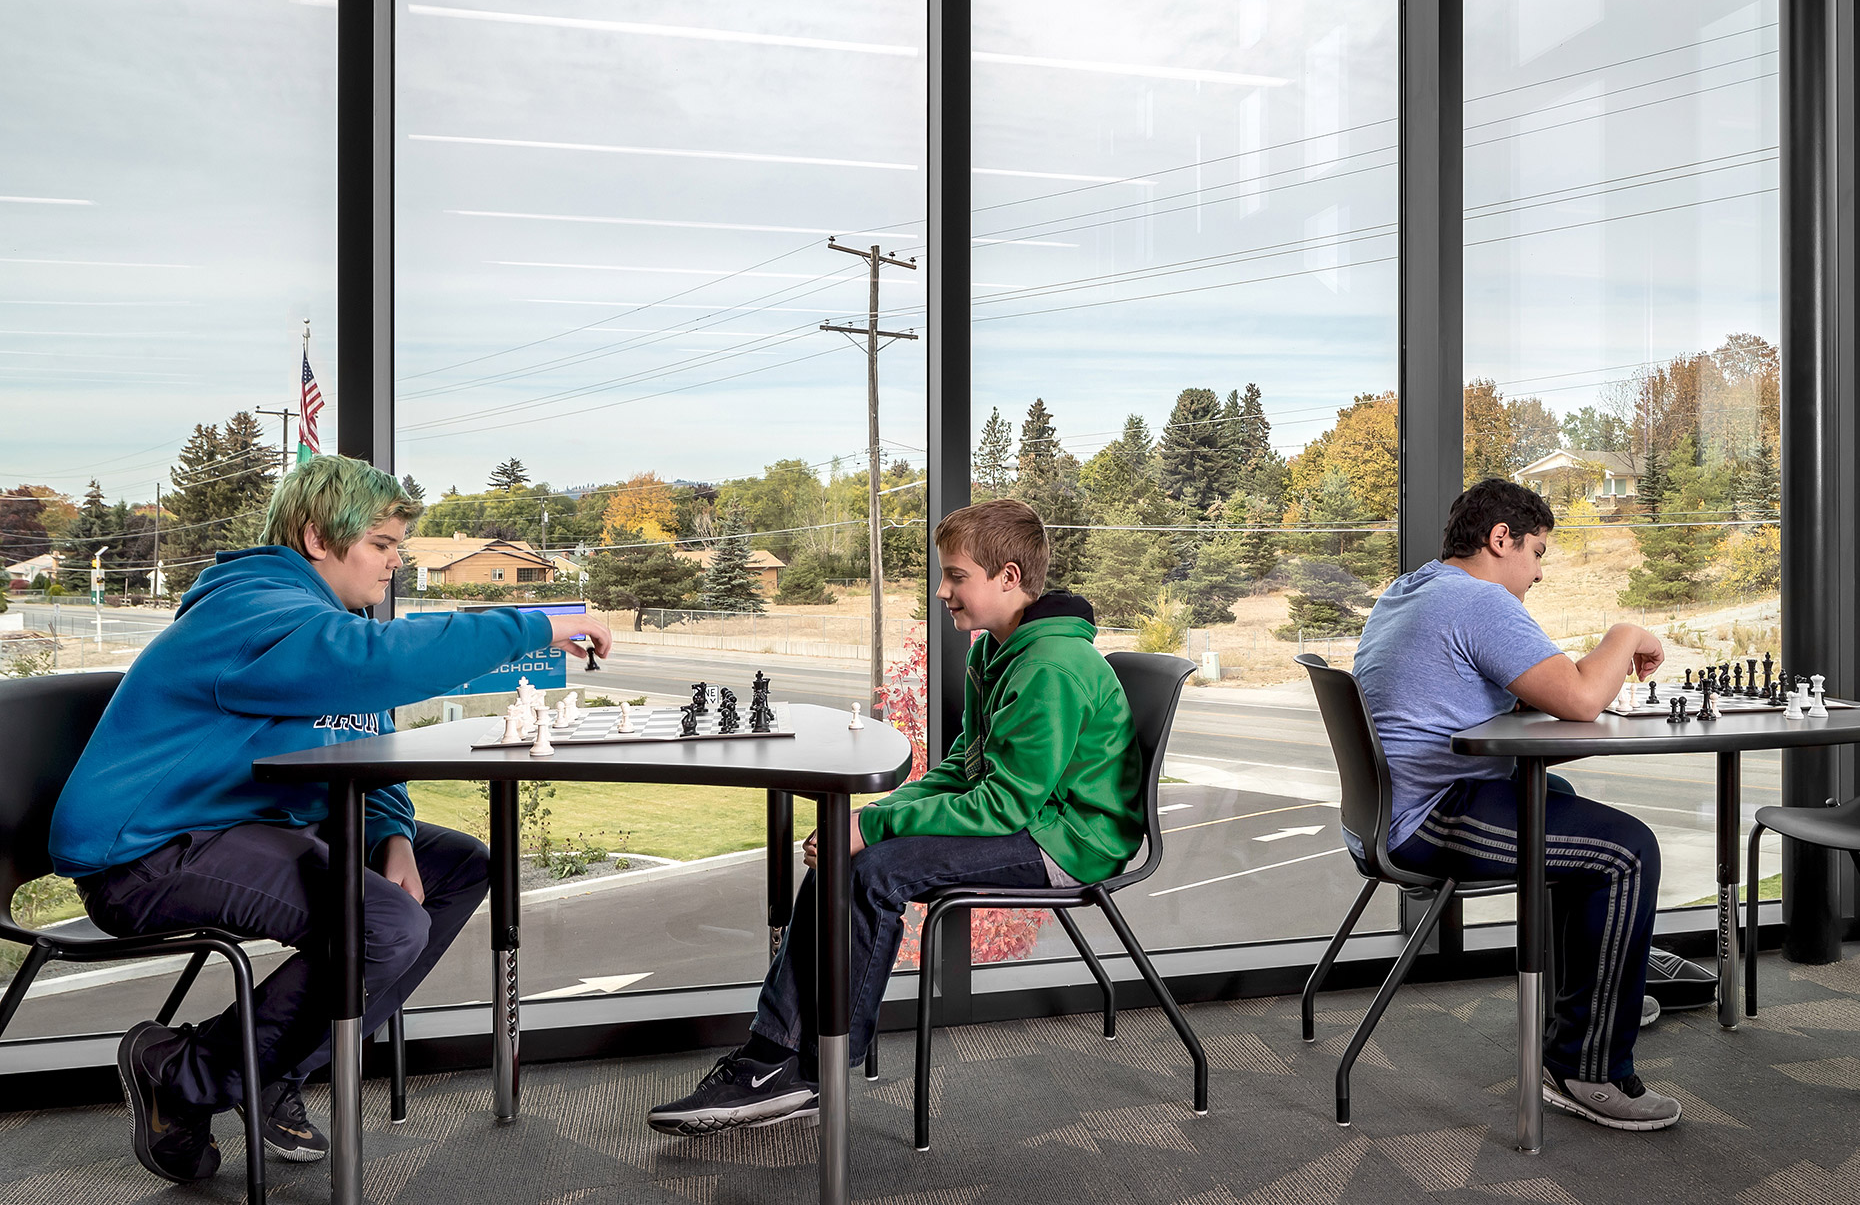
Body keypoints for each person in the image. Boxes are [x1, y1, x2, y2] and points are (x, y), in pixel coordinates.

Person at [51, 454, 610, 1185]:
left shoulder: (320, 625)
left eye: (398, 549)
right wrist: (537, 623)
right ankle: (184, 1075)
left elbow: (362, 737)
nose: (394, 566)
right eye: (381, 545)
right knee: (386, 925)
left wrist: (393, 836)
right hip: (147, 854)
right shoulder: (248, 611)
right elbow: (370, 666)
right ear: (318, 539)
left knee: (460, 868)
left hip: (240, 830)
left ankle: (272, 1063)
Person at [646, 497, 1138, 1136]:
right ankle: (778, 1057)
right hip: (1032, 820)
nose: (943, 591)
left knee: (871, 871)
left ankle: (806, 1069)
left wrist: (870, 830)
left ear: (1008, 578)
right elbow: (963, 766)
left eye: (957, 577)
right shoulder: (999, 647)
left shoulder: (1050, 666)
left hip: (1068, 842)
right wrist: (875, 815)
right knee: (849, 861)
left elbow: (1005, 803)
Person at [1351, 478, 1678, 1132]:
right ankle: (1587, 1067)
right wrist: (1626, 630)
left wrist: (1562, 682)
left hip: (1384, 812)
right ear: (1500, 539)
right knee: (1626, 850)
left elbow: (1528, 693)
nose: (1535, 576)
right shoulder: (1477, 601)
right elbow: (1583, 701)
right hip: (1429, 816)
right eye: (1536, 554)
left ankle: (1592, 998)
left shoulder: (1411, 589)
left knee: (1558, 799)